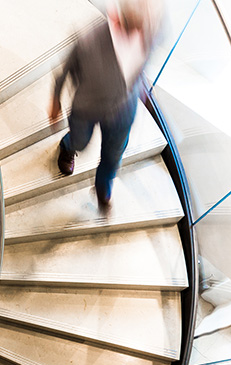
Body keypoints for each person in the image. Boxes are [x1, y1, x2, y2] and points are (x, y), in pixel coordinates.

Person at [50, 0, 162, 211]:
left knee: (113, 156)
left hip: (123, 111)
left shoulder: (151, 33)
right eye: (136, 25)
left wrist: (137, 87)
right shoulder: (89, 41)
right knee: (80, 141)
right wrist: (55, 99)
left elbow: (141, 62)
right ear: (117, 18)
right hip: (88, 107)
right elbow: (66, 70)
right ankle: (68, 145)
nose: (142, 30)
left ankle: (103, 189)